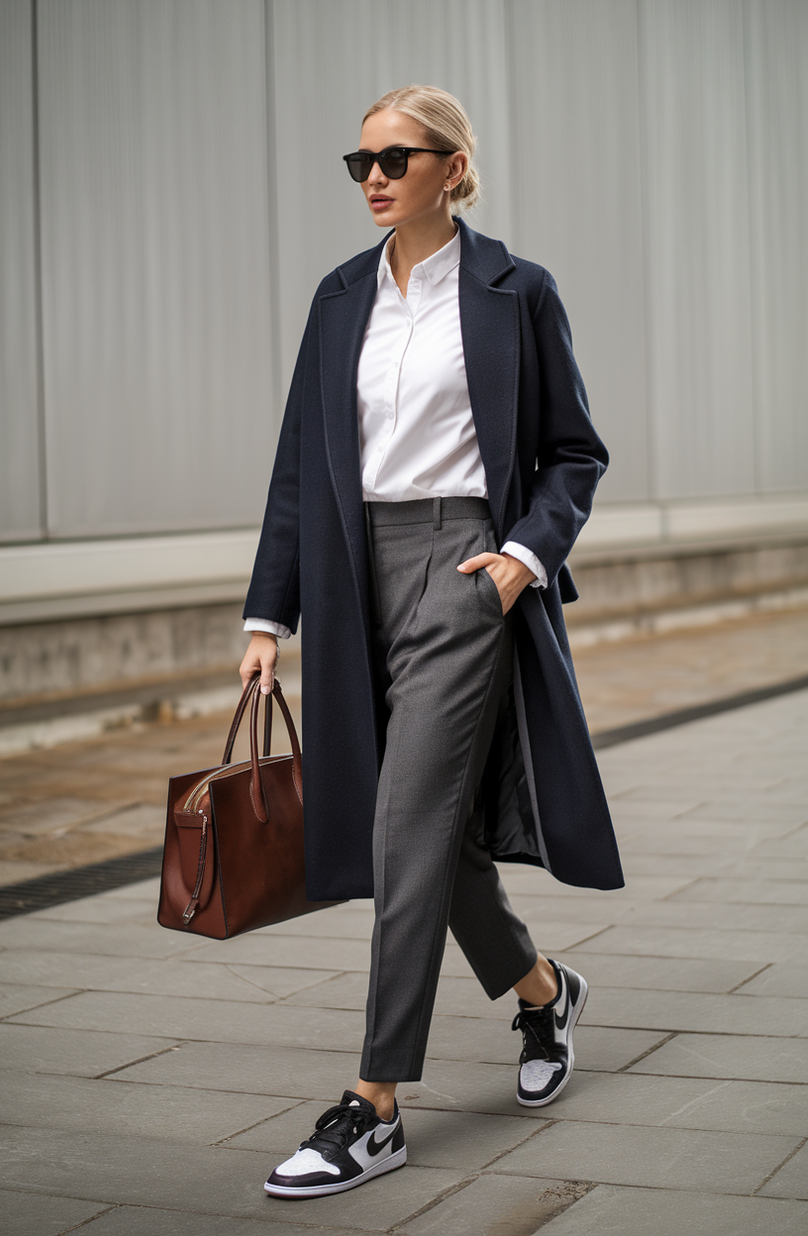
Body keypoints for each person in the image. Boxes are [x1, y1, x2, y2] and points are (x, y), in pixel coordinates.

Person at [239, 85, 623, 1199]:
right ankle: (544, 993)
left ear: (450, 168)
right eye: (357, 159)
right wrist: (270, 615)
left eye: (393, 158)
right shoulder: (338, 297)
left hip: (463, 569)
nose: (370, 177)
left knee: (406, 823)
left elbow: (572, 452)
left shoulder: (514, 292)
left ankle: (372, 1106)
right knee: (420, 828)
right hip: (352, 569)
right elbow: (298, 466)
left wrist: (519, 557)